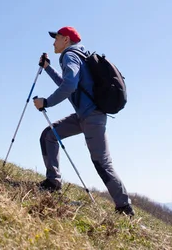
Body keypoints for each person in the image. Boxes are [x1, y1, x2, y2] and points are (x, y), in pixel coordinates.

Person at [33, 26, 135, 216]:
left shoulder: (69, 56)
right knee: (49, 135)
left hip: (91, 117)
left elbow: (69, 85)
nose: (54, 42)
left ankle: (124, 208)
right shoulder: (80, 55)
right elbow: (67, 83)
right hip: (85, 115)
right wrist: (47, 68)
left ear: (66, 40)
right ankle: (53, 182)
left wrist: (46, 102)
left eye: (57, 38)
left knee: (101, 162)